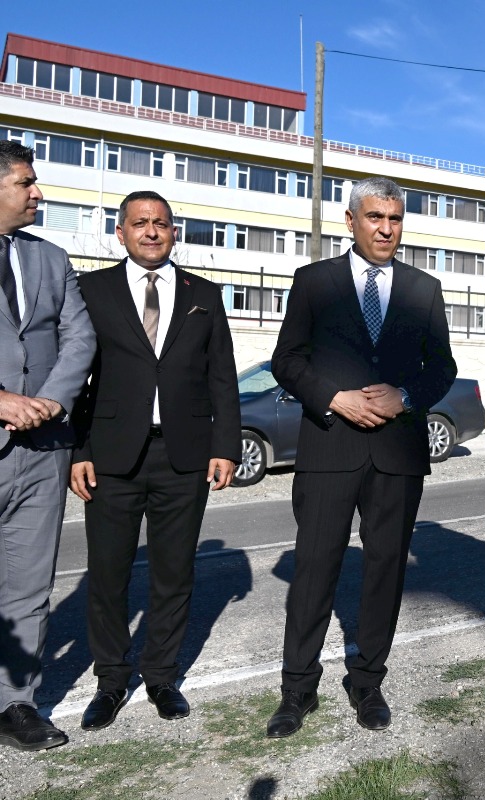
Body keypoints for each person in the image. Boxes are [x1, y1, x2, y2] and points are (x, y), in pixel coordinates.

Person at [267, 177, 456, 738]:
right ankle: (296, 690)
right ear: (350, 220)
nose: (386, 229)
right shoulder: (314, 282)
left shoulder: (424, 288)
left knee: (384, 572)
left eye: (395, 219)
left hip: (397, 454)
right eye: (375, 217)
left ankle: (367, 682)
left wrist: (406, 396)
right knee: (314, 570)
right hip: (329, 447)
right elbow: (286, 361)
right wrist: (333, 397)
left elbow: (440, 368)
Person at [69, 191, 240, 730]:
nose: (151, 231)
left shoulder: (204, 295)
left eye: (160, 223)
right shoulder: (90, 290)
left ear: (174, 232)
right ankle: (111, 681)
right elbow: (75, 377)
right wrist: (78, 450)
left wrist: (225, 446)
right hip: (111, 456)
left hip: (184, 455)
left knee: (174, 573)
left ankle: (162, 676)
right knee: (108, 575)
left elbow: (223, 380)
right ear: (119, 232)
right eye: (139, 223)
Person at [0, 141, 95, 751]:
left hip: (43, 449)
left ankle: (15, 704)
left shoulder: (51, 259)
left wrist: (53, 401)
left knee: (28, 586)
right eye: (27, 182)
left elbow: (78, 338)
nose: (40, 193)